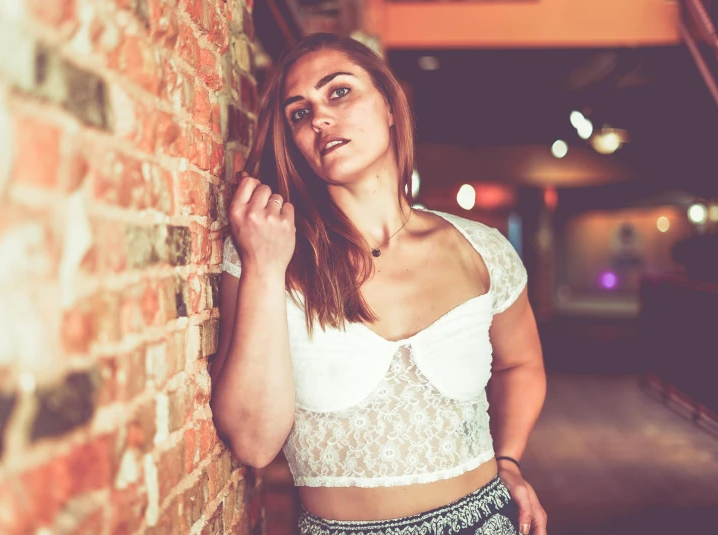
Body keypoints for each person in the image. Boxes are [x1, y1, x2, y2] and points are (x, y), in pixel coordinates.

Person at [209, 33, 547, 535]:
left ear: (390, 105)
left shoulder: (481, 249)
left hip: (484, 521)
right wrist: (264, 265)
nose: (319, 117)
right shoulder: (268, 249)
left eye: (338, 92)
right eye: (299, 113)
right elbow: (254, 444)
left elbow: (522, 364)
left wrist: (511, 462)